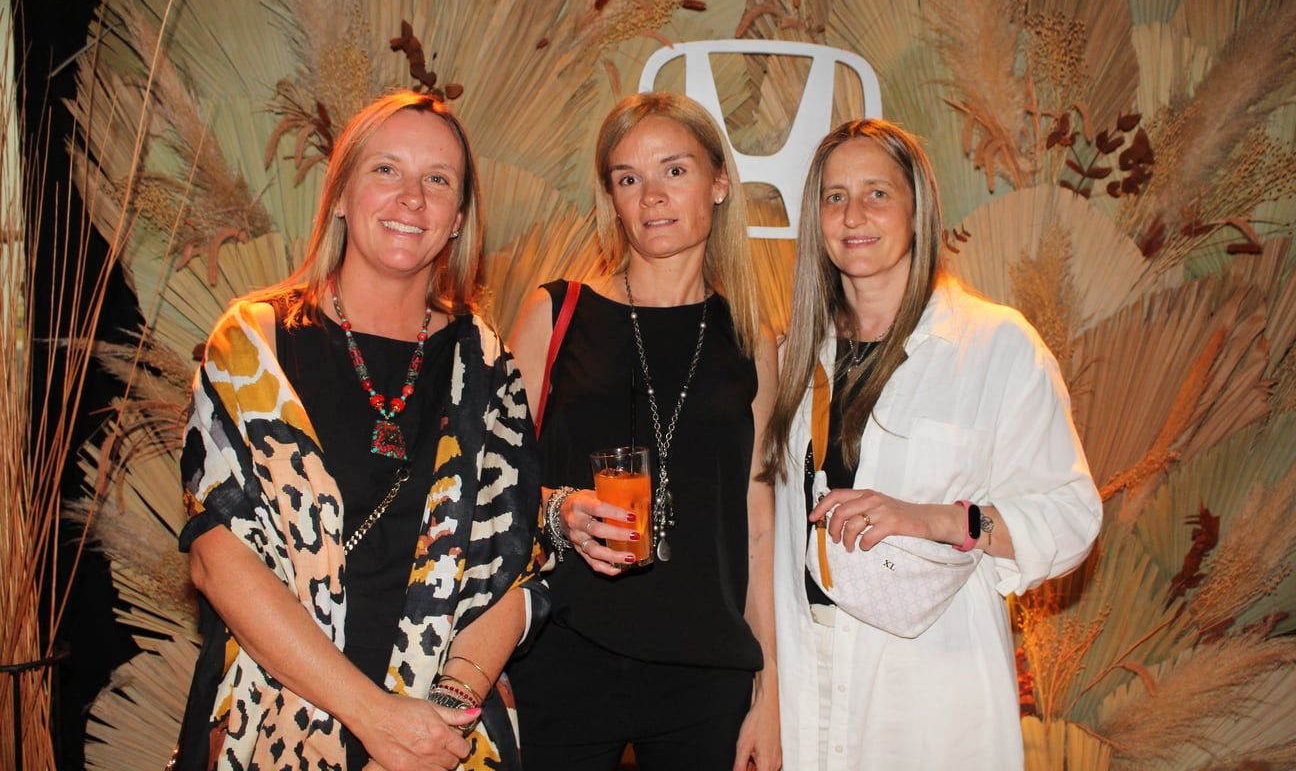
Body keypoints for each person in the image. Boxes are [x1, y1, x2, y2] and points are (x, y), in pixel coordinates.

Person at [175, 90, 547, 771]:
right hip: (271, 721)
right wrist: (375, 719)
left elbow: (515, 570)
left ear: (458, 218)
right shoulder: (253, 345)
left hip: (438, 741)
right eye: (386, 170)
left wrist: (438, 723)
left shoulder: (486, 366)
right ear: (342, 195)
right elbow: (217, 558)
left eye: (438, 180)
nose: (413, 198)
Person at [764, 119, 1102, 769]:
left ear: (917, 210)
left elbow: (1072, 517)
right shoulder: (795, 358)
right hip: (808, 682)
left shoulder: (995, 346)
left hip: (932, 688)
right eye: (834, 197)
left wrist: (936, 520)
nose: (853, 215)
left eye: (877, 193)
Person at [507, 92, 781, 771]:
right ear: (613, 199)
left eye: (675, 171)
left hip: (705, 671)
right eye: (628, 178)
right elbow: (490, 487)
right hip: (560, 654)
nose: (652, 196)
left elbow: (758, 525)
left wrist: (772, 689)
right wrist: (559, 509)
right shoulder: (557, 313)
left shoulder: (752, 340)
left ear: (719, 183)